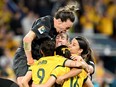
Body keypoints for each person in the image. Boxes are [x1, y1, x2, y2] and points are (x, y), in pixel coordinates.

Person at [13, 2, 79, 87]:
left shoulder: (56, 32)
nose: (66, 31)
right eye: (67, 28)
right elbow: (27, 39)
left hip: (39, 58)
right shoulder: (46, 22)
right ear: (59, 21)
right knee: (22, 82)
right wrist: (29, 59)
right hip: (25, 55)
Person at [22, 39, 88, 87]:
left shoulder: (36, 63)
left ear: (41, 51)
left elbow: (23, 82)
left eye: (73, 44)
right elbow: (79, 66)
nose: (70, 46)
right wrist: (83, 64)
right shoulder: (58, 61)